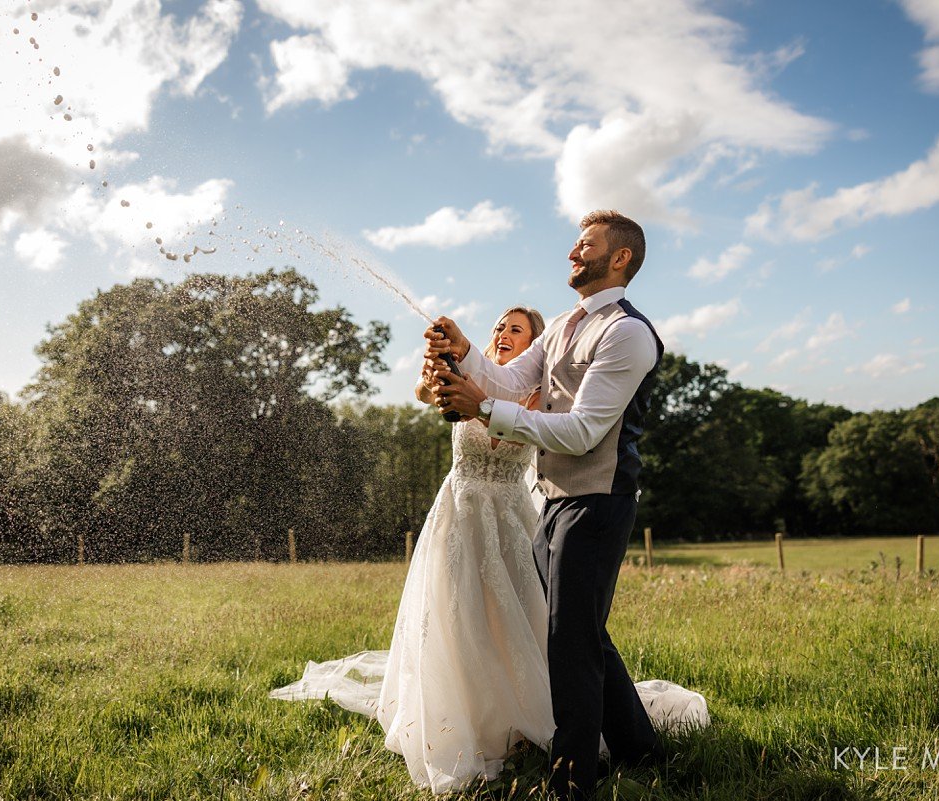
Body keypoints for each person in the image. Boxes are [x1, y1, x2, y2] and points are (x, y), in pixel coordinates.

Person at [426, 209, 671, 799]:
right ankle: (640, 749)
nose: (571, 253)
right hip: (553, 500)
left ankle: (571, 782)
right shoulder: (563, 324)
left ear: (620, 259)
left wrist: (482, 408)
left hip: (599, 499)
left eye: (585, 245)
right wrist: (468, 354)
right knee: (583, 632)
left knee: (568, 641)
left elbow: (583, 431)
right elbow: (511, 381)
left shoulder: (628, 334)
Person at [274, 307, 558, 792]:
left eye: (516, 330)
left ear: (533, 343)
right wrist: (431, 378)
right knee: (458, 616)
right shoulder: (464, 372)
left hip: (512, 517)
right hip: (459, 512)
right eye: (499, 328)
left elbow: (536, 429)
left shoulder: (541, 392)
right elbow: (426, 393)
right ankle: (467, 719)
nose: (503, 335)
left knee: (521, 618)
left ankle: (526, 717)